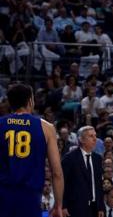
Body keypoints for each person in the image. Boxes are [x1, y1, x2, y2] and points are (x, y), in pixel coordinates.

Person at [0, 83, 64, 217]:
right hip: (31, 197)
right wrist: (58, 205)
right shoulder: (46, 127)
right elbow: (57, 172)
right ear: (30, 101)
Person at [62, 125, 105, 217]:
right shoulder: (69, 158)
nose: (95, 139)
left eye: (95, 136)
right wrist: (63, 205)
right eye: (91, 136)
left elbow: (98, 184)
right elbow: (62, 183)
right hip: (75, 207)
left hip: (95, 207)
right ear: (81, 140)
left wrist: (101, 206)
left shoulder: (97, 158)